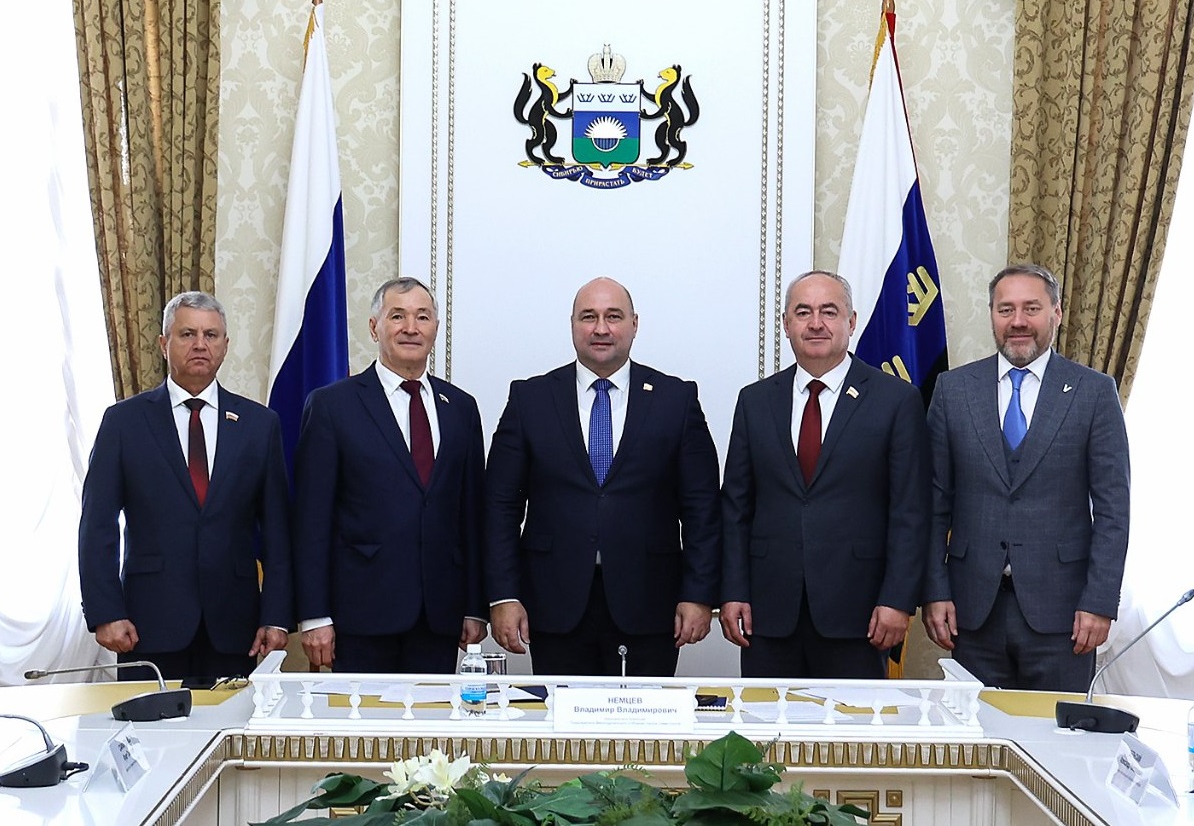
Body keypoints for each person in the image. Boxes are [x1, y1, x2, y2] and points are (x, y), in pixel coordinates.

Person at [483, 276, 721, 675]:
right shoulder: (530, 399)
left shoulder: (676, 400)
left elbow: (702, 508)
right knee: (562, 718)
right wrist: (503, 595)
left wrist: (699, 594)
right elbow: (500, 506)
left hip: (650, 603)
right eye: (588, 317)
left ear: (634, 324)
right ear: (572, 324)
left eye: (613, 316)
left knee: (644, 718)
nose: (601, 328)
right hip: (553, 602)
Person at [922, 263, 1130, 692]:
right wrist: (934, 591)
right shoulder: (953, 390)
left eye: (1031, 308)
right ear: (992, 315)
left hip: (1064, 616)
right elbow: (932, 504)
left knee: (1055, 730)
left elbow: (1114, 510)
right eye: (1006, 309)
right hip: (971, 613)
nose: (1017, 321)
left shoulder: (1094, 392)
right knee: (977, 731)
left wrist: (1099, 600)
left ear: (1056, 313)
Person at [718, 270, 930, 677]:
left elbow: (910, 511)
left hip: (860, 613)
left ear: (852, 322)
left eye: (829, 312)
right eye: (803, 312)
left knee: (850, 721)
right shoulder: (755, 401)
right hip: (768, 612)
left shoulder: (896, 400)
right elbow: (736, 508)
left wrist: (898, 600)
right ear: (786, 324)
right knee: (766, 718)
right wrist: (732, 590)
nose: (816, 323)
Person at [78, 291, 293, 681]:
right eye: (187, 334)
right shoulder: (123, 423)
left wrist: (276, 615)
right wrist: (106, 611)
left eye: (211, 335)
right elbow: (97, 525)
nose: (200, 344)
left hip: (234, 628)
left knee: (229, 720)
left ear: (225, 346)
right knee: (151, 721)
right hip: (147, 624)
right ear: (164, 344)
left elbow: (278, 531)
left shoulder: (259, 425)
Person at [293, 276, 486, 672]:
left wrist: (475, 605)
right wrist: (314, 615)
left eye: (422, 317)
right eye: (397, 316)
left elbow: (472, 515)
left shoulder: (461, 408)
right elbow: (311, 519)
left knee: (433, 716)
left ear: (435, 328)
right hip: (360, 615)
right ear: (374, 327)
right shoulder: (332, 406)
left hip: (439, 616)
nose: (411, 328)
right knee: (361, 717)